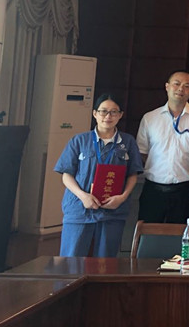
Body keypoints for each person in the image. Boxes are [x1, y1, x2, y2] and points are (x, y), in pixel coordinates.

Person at [54, 93, 143, 257]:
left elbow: (132, 174)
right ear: (95, 113)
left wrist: (122, 197)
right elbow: (66, 175)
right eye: (103, 111)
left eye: (114, 112)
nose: (108, 116)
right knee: (71, 258)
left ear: (120, 115)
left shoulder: (128, 142)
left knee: (105, 261)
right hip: (80, 208)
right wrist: (83, 196)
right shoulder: (79, 140)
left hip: (113, 210)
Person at [136, 70, 189, 223]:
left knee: (179, 234)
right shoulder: (150, 118)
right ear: (167, 87)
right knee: (148, 233)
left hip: (184, 190)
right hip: (153, 190)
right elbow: (143, 152)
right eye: (176, 84)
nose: (181, 89)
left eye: (187, 86)